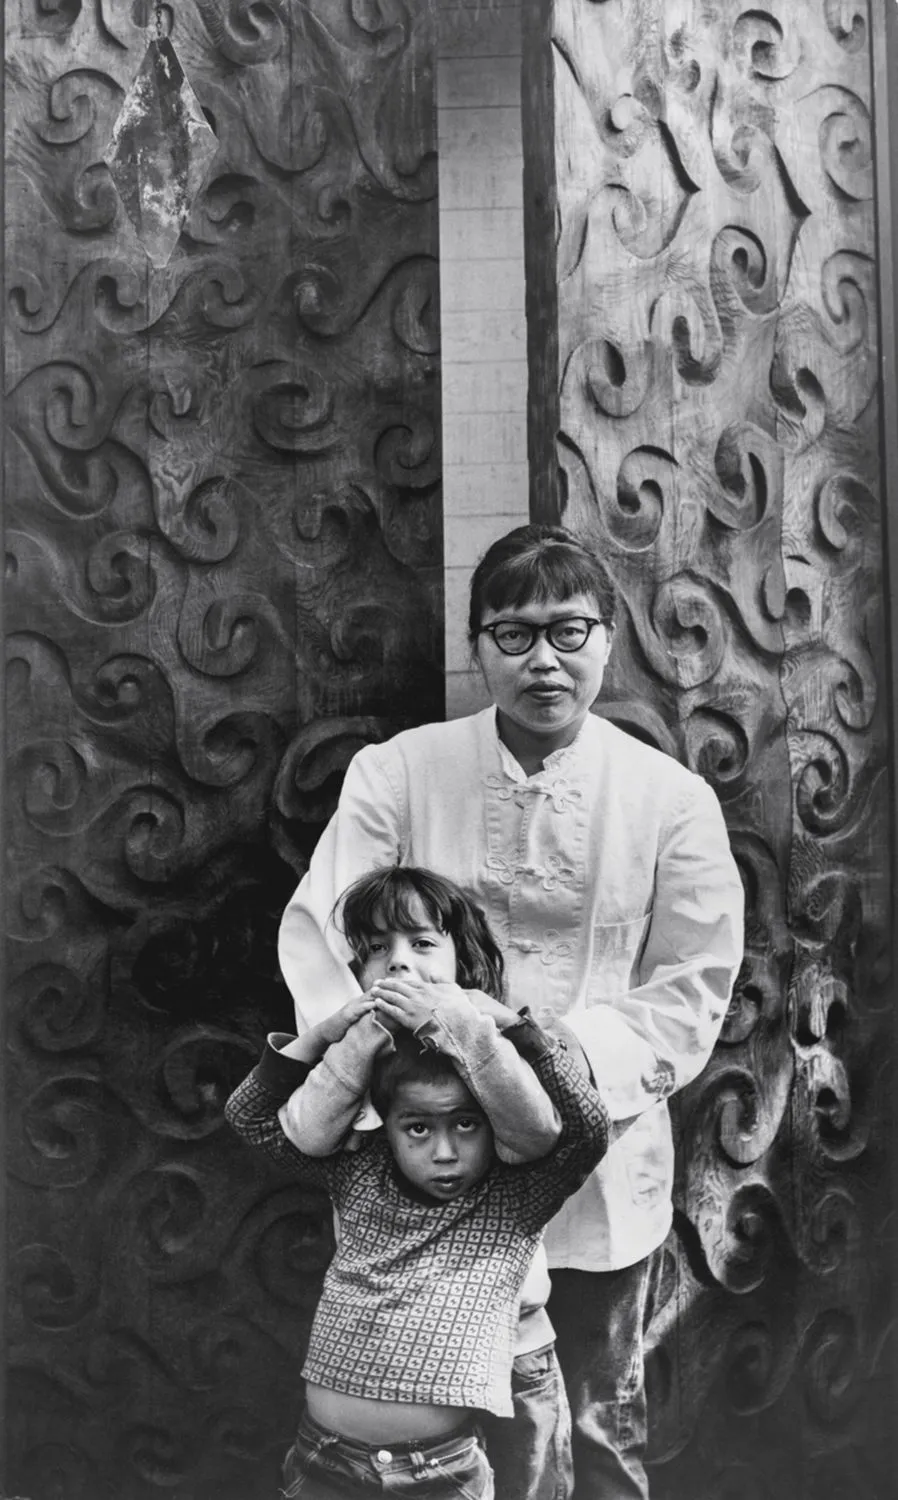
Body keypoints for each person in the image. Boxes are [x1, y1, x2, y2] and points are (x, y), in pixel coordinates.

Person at [277, 523, 746, 1497]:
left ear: (609, 639)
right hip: (429, 1177)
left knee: (592, 1423)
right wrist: (400, 1097)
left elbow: (691, 986)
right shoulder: (399, 774)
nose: (543, 660)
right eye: (512, 633)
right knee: (443, 1444)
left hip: (592, 1163)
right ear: (477, 647)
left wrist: (551, 1063)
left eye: (570, 631)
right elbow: (329, 939)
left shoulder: (669, 800)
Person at [226, 864, 610, 1500]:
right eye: (377, 950)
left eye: (422, 943)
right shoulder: (361, 1164)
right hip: (322, 1459)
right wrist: (328, 1034)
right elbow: (252, 1119)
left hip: (451, 1455)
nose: (444, 1151)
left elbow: (581, 1130)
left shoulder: (510, 1192)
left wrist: (500, 1024)